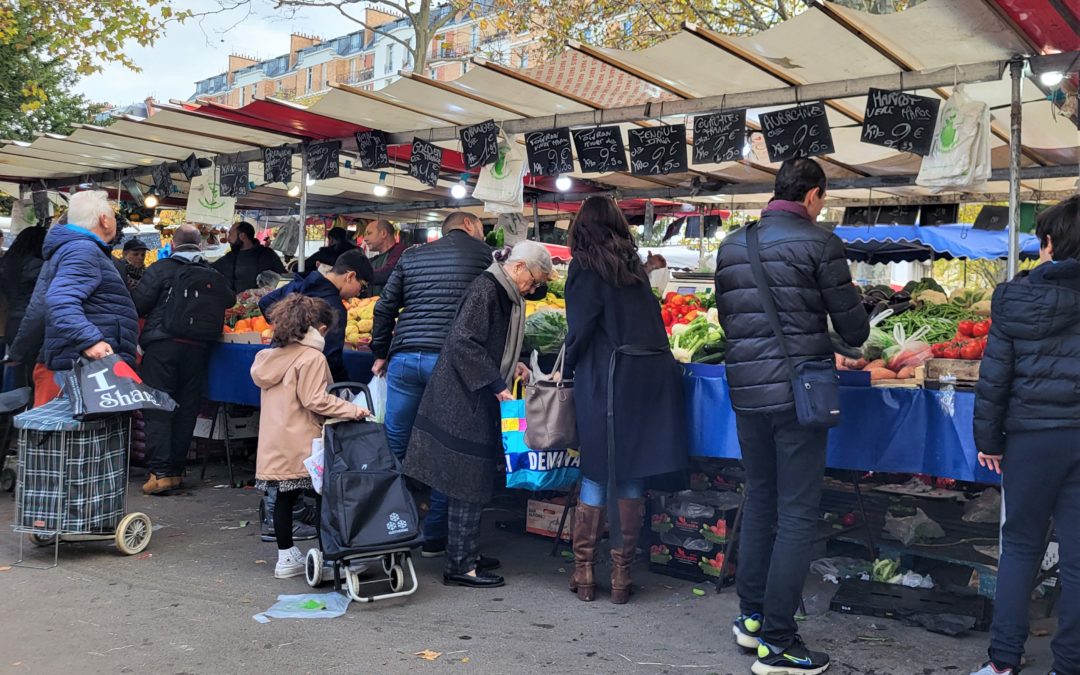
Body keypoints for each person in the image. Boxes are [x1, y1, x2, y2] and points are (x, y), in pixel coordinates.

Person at [714, 158, 868, 675]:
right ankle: (778, 644)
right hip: (799, 395)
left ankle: (751, 619)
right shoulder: (820, 244)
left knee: (760, 501)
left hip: (747, 394)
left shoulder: (733, 244)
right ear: (813, 195)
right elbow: (854, 327)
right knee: (798, 513)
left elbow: (736, 319)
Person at [969, 196, 1080, 675]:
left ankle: (1003, 663)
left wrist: (988, 440)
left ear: (1050, 243)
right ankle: (1069, 665)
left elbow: (995, 378)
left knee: (1019, 548)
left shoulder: (1016, 296)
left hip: (1031, 439)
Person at [562, 196, 689, 605]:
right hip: (648, 377)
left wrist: (566, 370)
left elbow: (579, 330)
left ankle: (584, 572)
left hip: (608, 378)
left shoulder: (586, 267)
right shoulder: (632, 266)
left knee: (598, 470)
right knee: (631, 470)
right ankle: (621, 576)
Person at [404, 241, 553, 589]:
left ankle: (464, 552)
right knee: (467, 481)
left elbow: (483, 341)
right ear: (519, 268)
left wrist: (511, 362)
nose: (532, 289)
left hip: (467, 394)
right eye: (533, 281)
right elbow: (462, 341)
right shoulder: (487, 288)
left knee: (469, 480)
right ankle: (460, 565)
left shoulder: (499, 290)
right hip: (463, 397)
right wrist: (495, 381)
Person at [370, 211, 491, 558]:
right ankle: (434, 535)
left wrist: (381, 351)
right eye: (481, 226)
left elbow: (384, 307)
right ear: (468, 225)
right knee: (445, 446)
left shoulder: (411, 256)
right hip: (450, 362)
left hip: (405, 359)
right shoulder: (484, 257)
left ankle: (386, 528)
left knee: (395, 445)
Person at [251, 294, 370, 579]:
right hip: (304, 439)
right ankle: (331, 559)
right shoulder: (312, 357)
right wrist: (354, 409)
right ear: (319, 327)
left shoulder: (268, 357)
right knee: (323, 499)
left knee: (283, 497)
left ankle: (286, 558)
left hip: (275, 440)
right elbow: (315, 399)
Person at [133, 224, 236, 495]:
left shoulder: (160, 269)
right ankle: (177, 472)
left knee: (158, 405)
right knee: (186, 407)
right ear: (199, 245)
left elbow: (138, 304)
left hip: (162, 347)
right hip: (198, 348)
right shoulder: (212, 272)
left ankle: (160, 472)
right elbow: (230, 299)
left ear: (174, 244)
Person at [10, 190, 139, 407]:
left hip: (72, 363)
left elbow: (40, 305)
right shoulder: (82, 249)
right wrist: (89, 340)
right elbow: (60, 300)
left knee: (63, 436)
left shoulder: (70, 249)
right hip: (81, 368)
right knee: (76, 435)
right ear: (104, 220)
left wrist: (19, 350)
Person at [259, 249, 372, 384]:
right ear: (350, 276)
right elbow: (331, 358)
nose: (359, 293)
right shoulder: (335, 309)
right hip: (306, 382)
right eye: (362, 286)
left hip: (276, 371)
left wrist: (284, 326)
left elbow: (265, 303)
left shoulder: (299, 284)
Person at [0, 227, 46, 391]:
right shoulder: (38, 266)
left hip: (12, 322)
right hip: (33, 326)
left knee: (17, 376)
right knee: (35, 378)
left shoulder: (6, 264)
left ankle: (11, 413)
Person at [212, 221, 286, 291]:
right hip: (234, 302)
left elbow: (284, 279)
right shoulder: (231, 256)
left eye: (231, 234)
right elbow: (211, 268)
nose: (228, 239)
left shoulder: (267, 255)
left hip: (261, 302)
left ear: (242, 236)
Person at [364, 219, 406, 296]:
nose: (365, 238)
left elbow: (389, 272)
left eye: (369, 233)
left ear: (383, 233)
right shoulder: (375, 259)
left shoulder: (400, 251)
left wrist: (361, 276)